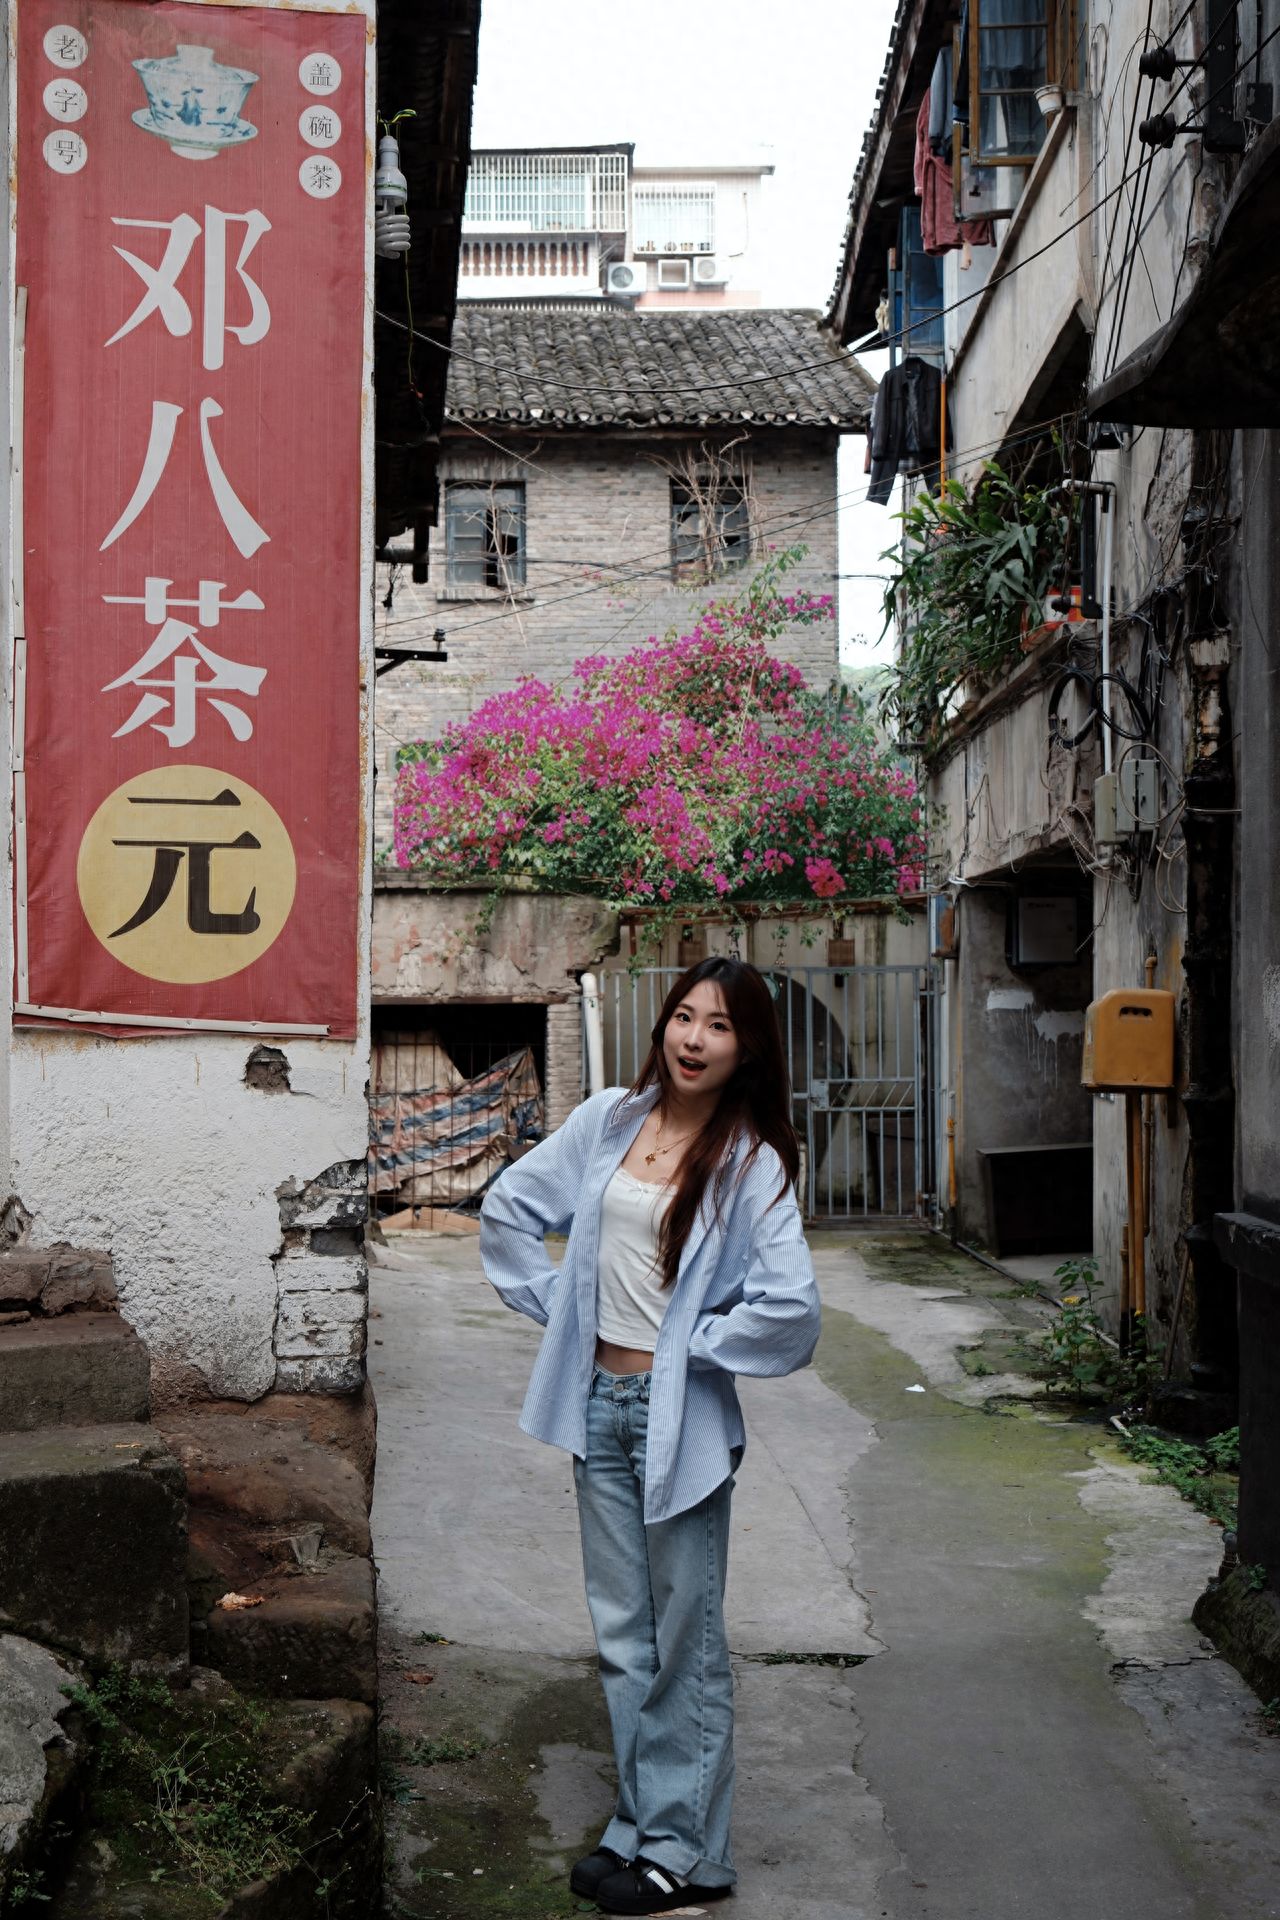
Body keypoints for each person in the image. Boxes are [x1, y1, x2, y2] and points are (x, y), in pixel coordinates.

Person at [479, 956, 821, 1915]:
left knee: (686, 1644)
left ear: (747, 1049)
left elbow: (792, 1308)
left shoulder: (750, 1161)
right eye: (684, 1017)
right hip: (596, 1403)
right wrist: (565, 1308)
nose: (694, 1039)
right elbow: (510, 1209)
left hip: (680, 1421)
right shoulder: (608, 1121)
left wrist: (689, 1346)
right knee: (625, 1637)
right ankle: (640, 1825)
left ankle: (688, 1855)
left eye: (719, 1025)